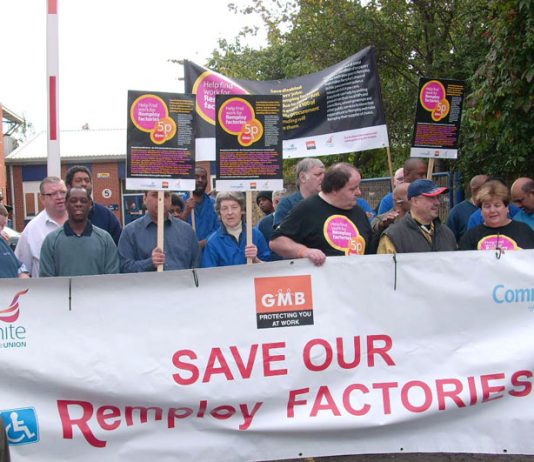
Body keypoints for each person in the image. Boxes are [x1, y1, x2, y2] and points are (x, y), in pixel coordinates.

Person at [270, 163, 373, 266]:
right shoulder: (307, 208)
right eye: (352, 189)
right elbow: (276, 242)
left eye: (358, 187)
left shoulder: (359, 212)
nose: (359, 192)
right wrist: (304, 251)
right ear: (335, 189)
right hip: (320, 280)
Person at [39, 188, 119, 277]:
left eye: (83, 201)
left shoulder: (105, 239)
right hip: (63, 291)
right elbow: (47, 280)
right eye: (73, 201)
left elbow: (112, 278)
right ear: (66, 204)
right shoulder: (51, 241)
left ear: (90, 205)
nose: (78, 204)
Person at [118, 190, 200, 272]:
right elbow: (124, 268)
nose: (161, 199)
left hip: (181, 283)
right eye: (155, 195)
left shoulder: (187, 231)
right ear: (145, 199)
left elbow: (197, 267)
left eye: (166, 195)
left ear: (171, 199)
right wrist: (149, 263)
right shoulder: (130, 232)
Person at [377, 179, 457, 254]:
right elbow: (385, 268)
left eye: (438, 197)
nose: (437, 203)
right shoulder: (393, 236)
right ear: (415, 201)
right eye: (431, 198)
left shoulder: (447, 234)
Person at [14, 176, 68, 277]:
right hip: (46, 290)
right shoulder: (31, 230)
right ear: (42, 199)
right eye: (53, 194)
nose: (60, 197)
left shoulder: (80, 223)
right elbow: (21, 268)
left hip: (78, 290)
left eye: (63, 192)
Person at [459, 181, 534, 251]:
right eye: (487, 206)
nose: (492, 210)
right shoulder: (470, 236)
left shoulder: (524, 231)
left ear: (507, 208)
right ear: (481, 211)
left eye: (497, 205)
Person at [201, 192, 270, 268]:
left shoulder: (256, 235)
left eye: (234, 207)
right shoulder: (213, 242)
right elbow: (209, 275)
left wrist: (256, 260)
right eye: (224, 208)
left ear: (242, 210)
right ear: (219, 213)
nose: (230, 212)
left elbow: (269, 270)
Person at [65, 166, 122, 244]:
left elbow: (118, 245)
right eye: (78, 181)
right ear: (68, 186)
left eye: (87, 180)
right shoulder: (61, 214)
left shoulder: (106, 215)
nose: (84, 184)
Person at [273, 158, 325, 227]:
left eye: (324, 174)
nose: (323, 177)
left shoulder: (328, 202)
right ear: (302, 177)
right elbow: (279, 235)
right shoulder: (287, 205)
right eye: (318, 174)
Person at [181, 166, 219, 248]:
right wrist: (186, 212)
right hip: (187, 253)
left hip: (209, 252)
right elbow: (175, 229)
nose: (200, 180)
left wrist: (205, 242)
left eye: (203, 177)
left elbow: (219, 229)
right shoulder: (180, 203)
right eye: (196, 177)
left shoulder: (215, 204)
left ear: (207, 181)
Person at [446, 174, 489, 242]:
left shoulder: (500, 209)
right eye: (488, 188)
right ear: (475, 190)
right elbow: (449, 241)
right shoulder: (457, 212)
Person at [256, 189, 286, 261]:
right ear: (273, 203)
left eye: (283, 202)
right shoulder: (263, 224)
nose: (280, 205)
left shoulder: (299, 219)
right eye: (276, 202)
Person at [1, 207, 29, 278]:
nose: (1, 229)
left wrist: (23, 274)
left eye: (3, 225)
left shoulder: (3, 243)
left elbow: (19, 266)